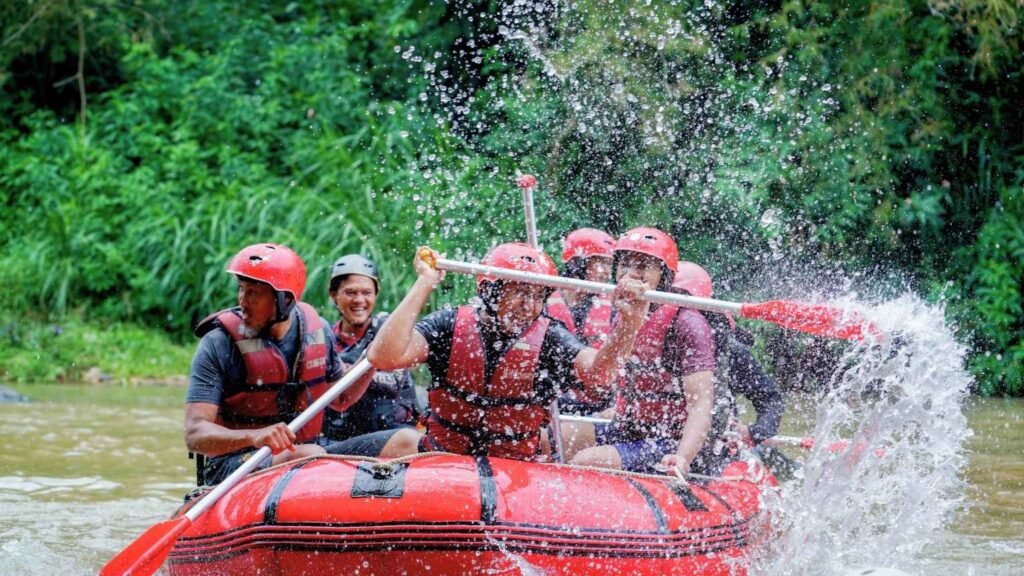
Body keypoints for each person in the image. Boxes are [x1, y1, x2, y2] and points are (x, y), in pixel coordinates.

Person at [366, 242, 650, 461]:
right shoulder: (449, 325)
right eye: (521, 293)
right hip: (443, 459)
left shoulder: (550, 338)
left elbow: (599, 374)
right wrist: (425, 282)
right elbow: (383, 357)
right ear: (491, 292)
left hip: (513, 470)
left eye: (538, 296)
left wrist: (629, 324)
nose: (529, 307)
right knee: (399, 441)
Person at [184, 244, 379, 486]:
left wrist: (372, 359)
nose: (243, 301)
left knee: (405, 440)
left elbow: (340, 399)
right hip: (235, 462)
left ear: (284, 300)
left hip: (308, 449)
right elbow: (194, 434)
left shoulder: (317, 331)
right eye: (242, 290)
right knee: (310, 455)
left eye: (254, 293)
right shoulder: (218, 343)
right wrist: (255, 437)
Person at [563, 228, 719, 477]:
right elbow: (605, 375)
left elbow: (701, 402)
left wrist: (683, 457)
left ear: (663, 276)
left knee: (587, 460)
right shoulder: (621, 310)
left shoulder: (687, 322)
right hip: (628, 427)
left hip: (669, 440)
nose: (631, 273)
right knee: (556, 436)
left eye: (644, 266)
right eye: (625, 264)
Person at [672, 261, 784, 448]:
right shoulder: (644, 342)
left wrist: (755, 432)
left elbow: (771, 399)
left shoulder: (729, 350)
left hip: (715, 445)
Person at [322, 254, 422, 442]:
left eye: (367, 293)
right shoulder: (326, 338)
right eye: (350, 293)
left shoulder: (387, 331)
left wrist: (343, 375)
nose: (359, 300)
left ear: (375, 295)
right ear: (334, 295)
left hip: (392, 434)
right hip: (341, 439)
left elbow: (393, 381)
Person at [547, 228, 617, 414]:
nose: (606, 272)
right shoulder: (543, 301)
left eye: (609, 264)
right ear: (578, 262)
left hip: (596, 398)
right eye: (600, 263)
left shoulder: (612, 305)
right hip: (555, 395)